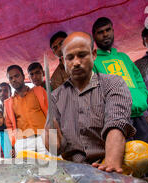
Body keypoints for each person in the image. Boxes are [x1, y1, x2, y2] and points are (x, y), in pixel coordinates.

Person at [44, 32, 135, 173]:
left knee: (142, 152)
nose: (76, 63)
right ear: (63, 61)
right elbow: (56, 148)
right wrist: (52, 142)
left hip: (111, 161)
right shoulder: (55, 97)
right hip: (75, 170)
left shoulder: (113, 83)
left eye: (82, 55)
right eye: (70, 58)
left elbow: (116, 124)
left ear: (93, 54)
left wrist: (110, 164)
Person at [92, 17, 148, 145]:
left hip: (138, 114)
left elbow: (138, 79)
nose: (105, 34)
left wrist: (142, 97)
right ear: (94, 37)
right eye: (100, 32)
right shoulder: (93, 62)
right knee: (127, 159)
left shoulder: (123, 57)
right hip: (117, 119)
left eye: (108, 30)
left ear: (113, 31)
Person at [4, 64, 49, 156]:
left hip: (44, 137)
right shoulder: (8, 103)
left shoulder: (39, 91)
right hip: (23, 142)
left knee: (53, 168)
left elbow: (51, 113)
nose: (14, 80)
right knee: (26, 170)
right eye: (10, 78)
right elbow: (9, 126)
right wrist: (13, 144)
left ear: (23, 76)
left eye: (16, 76)